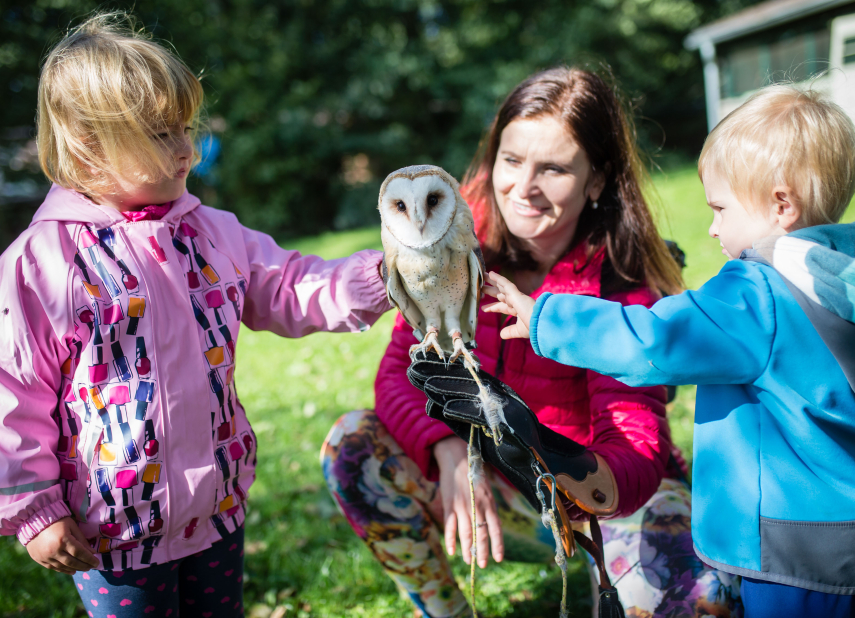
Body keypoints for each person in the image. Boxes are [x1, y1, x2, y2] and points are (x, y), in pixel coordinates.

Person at [0, 12, 390, 618]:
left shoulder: (211, 235)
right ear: (88, 145)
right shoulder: (43, 263)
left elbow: (288, 285)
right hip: (116, 529)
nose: (187, 149)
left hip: (216, 506)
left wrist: (381, 279)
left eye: (185, 128)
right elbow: (13, 391)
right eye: (159, 135)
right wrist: (35, 510)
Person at [322, 67, 742, 617]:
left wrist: (565, 477)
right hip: (491, 493)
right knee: (353, 445)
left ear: (595, 180)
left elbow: (638, 449)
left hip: (596, 503)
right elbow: (400, 370)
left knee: (695, 596)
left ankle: (610, 582)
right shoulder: (452, 243)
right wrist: (451, 453)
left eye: (554, 168)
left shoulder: (619, 285)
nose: (523, 187)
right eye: (512, 160)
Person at [482, 84, 855, 618]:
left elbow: (654, 340)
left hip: (785, 552)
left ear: (781, 205)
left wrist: (545, 316)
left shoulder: (756, 294)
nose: (712, 226)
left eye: (721, 208)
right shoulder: (841, 274)